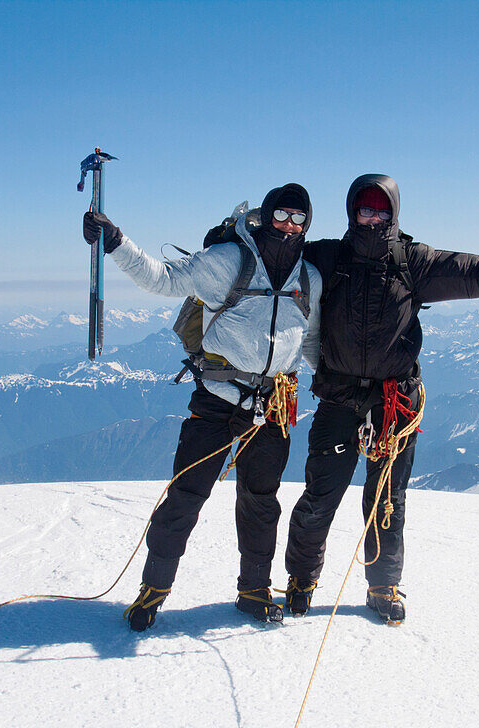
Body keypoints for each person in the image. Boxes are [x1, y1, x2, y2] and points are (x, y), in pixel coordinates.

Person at [282, 174, 479, 624]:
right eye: (364, 210)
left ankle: (382, 585)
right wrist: (232, 237)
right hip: (339, 399)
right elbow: (277, 252)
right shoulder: (329, 256)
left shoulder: (413, 261)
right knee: (320, 494)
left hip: (393, 403)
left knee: (388, 497)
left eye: (381, 211)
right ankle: (301, 579)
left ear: (393, 214)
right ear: (352, 211)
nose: (372, 218)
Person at [83, 183, 322, 630]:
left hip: (272, 406)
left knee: (261, 502)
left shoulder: (309, 278)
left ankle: (254, 591)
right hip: (217, 400)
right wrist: (116, 242)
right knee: (186, 495)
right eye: (282, 216)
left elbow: (309, 339)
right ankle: (153, 591)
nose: (290, 226)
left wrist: (334, 382)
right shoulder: (228, 262)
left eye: (299, 219)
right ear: (267, 216)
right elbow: (164, 278)